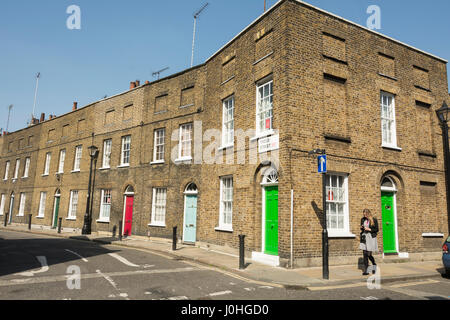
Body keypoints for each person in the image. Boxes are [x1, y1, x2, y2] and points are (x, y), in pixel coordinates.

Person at [359, 209, 379, 275]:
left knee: (369, 254)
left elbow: (376, 229)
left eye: (366, 215)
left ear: (369, 214)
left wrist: (369, 229)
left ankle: (374, 265)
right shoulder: (362, 219)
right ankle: (366, 270)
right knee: (364, 254)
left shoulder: (374, 219)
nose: (365, 216)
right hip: (364, 237)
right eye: (364, 215)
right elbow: (362, 228)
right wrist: (362, 227)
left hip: (371, 237)